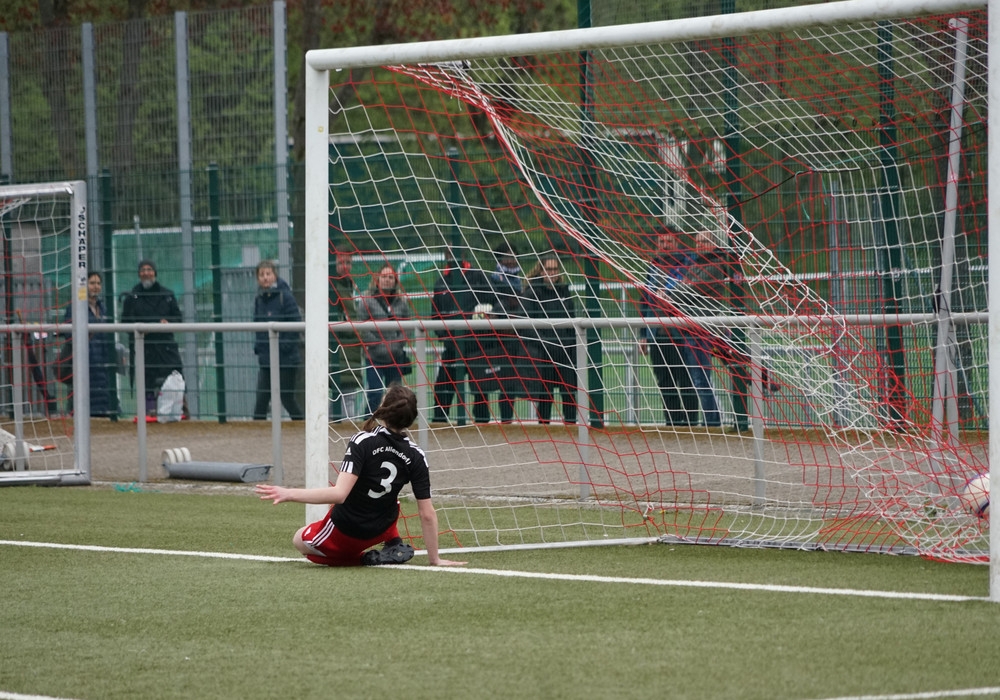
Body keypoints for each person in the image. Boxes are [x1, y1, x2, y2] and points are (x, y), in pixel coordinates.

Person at [254, 384, 466, 568]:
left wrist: (289, 493)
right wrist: (435, 559)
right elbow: (427, 514)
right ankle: (392, 542)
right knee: (391, 497)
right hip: (382, 527)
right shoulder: (416, 455)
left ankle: (363, 558)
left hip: (348, 528)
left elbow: (339, 494)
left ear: (383, 409)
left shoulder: (363, 440)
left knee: (299, 540)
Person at [638, 225, 720, 427]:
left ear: (677, 243)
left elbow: (690, 292)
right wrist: (643, 334)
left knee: (688, 381)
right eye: (661, 242)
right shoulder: (653, 266)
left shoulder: (688, 263)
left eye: (669, 241)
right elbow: (645, 301)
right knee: (665, 382)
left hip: (682, 332)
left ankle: (690, 423)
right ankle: (673, 424)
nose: (665, 245)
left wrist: (670, 296)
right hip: (658, 333)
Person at [463, 243, 532, 424]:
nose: (511, 260)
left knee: (507, 382)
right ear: (499, 259)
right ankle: (481, 421)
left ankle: (507, 421)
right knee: (481, 380)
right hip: (487, 340)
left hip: (509, 339)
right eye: (507, 256)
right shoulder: (489, 281)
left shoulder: (521, 284)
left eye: (514, 256)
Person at [121, 259, 184, 418]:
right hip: (144, 348)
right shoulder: (132, 297)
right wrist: (140, 328)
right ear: (139, 274)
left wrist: (167, 323)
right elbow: (125, 322)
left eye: (149, 269)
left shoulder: (167, 295)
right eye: (143, 270)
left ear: (155, 273)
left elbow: (178, 318)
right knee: (146, 381)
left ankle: (175, 411)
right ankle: (148, 413)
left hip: (166, 347)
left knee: (173, 377)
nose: (146, 273)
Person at [521, 254, 578, 424]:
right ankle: (543, 427)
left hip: (566, 351)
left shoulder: (564, 291)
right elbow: (526, 325)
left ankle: (571, 426)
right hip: (543, 352)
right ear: (541, 271)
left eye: (555, 269)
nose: (552, 273)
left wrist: (570, 344)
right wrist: (545, 343)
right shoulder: (532, 293)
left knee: (569, 393)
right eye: (548, 269)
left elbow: (572, 321)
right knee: (545, 395)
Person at [357, 262, 413, 416]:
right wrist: (378, 343)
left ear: (395, 281)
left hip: (395, 356)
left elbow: (407, 327)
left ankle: (393, 427)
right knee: (374, 394)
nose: (387, 280)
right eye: (384, 277)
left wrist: (397, 343)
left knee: (395, 397)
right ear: (377, 279)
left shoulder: (401, 302)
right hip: (374, 357)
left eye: (391, 277)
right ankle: (369, 423)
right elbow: (362, 327)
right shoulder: (366, 301)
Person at [251, 260, 304, 421]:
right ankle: (256, 434)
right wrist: (259, 347)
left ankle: (301, 426)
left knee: (287, 397)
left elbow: (295, 323)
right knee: (261, 400)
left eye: (268, 274)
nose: (265, 278)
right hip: (267, 359)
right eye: (262, 275)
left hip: (286, 358)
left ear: (274, 275)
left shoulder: (285, 296)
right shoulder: (259, 299)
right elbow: (258, 325)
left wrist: (284, 346)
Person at [61, 271, 118, 417]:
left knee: (103, 397)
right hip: (84, 361)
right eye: (92, 283)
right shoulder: (75, 308)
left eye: (98, 283)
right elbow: (69, 333)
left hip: (103, 363)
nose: (96, 287)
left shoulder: (104, 308)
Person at [430, 248, 474, 423]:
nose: (452, 256)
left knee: (480, 390)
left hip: (475, 347)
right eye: (448, 253)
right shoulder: (441, 283)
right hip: (451, 347)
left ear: (463, 255)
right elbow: (435, 315)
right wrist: (444, 336)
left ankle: (484, 425)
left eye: (454, 253)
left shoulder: (476, 277)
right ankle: (439, 424)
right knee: (442, 390)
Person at [329, 245, 363, 421]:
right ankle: (350, 434)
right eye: (341, 262)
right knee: (343, 396)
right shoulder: (332, 287)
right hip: (340, 348)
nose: (345, 266)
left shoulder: (349, 285)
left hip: (350, 349)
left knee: (346, 395)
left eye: (348, 262)